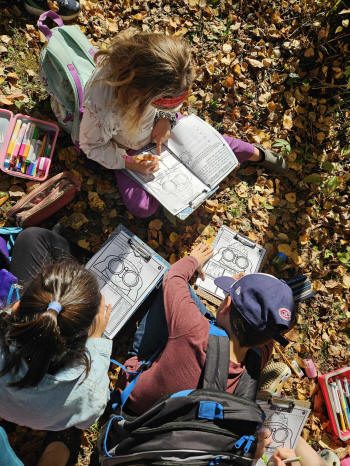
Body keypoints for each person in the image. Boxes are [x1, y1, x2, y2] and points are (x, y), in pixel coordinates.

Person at [79, 32, 287, 218]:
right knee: (142, 208)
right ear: (141, 93)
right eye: (163, 102)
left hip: (160, 129)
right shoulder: (104, 108)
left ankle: (255, 153)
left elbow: (171, 105)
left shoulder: (163, 70)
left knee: (220, 146)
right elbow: (92, 146)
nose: (173, 103)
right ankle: (160, 191)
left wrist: (165, 119)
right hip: (128, 148)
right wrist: (128, 163)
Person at [0, 227, 112, 466]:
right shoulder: (88, 391)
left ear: (20, 305)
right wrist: (98, 339)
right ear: (88, 329)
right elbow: (87, 419)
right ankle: (61, 439)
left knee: (31, 238)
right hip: (52, 418)